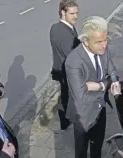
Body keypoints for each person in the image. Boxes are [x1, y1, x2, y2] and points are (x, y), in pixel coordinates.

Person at [65, 16, 117, 158]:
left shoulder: (103, 49)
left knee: (97, 148)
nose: (104, 45)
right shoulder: (73, 61)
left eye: (105, 40)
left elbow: (112, 71)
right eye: (99, 42)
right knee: (81, 151)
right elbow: (81, 96)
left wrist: (103, 84)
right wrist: (105, 87)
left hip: (101, 111)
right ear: (86, 41)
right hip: (83, 115)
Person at [50, 0, 80, 130]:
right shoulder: (65, 33)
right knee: (67, 96)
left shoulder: (56, 27)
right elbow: (72, 55)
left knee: (64, 94)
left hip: (60, 68)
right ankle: (65, 120)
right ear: (63, 12)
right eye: (72, 13)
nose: (76, 16)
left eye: (77, 13)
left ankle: (64, 120)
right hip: (66, 71)